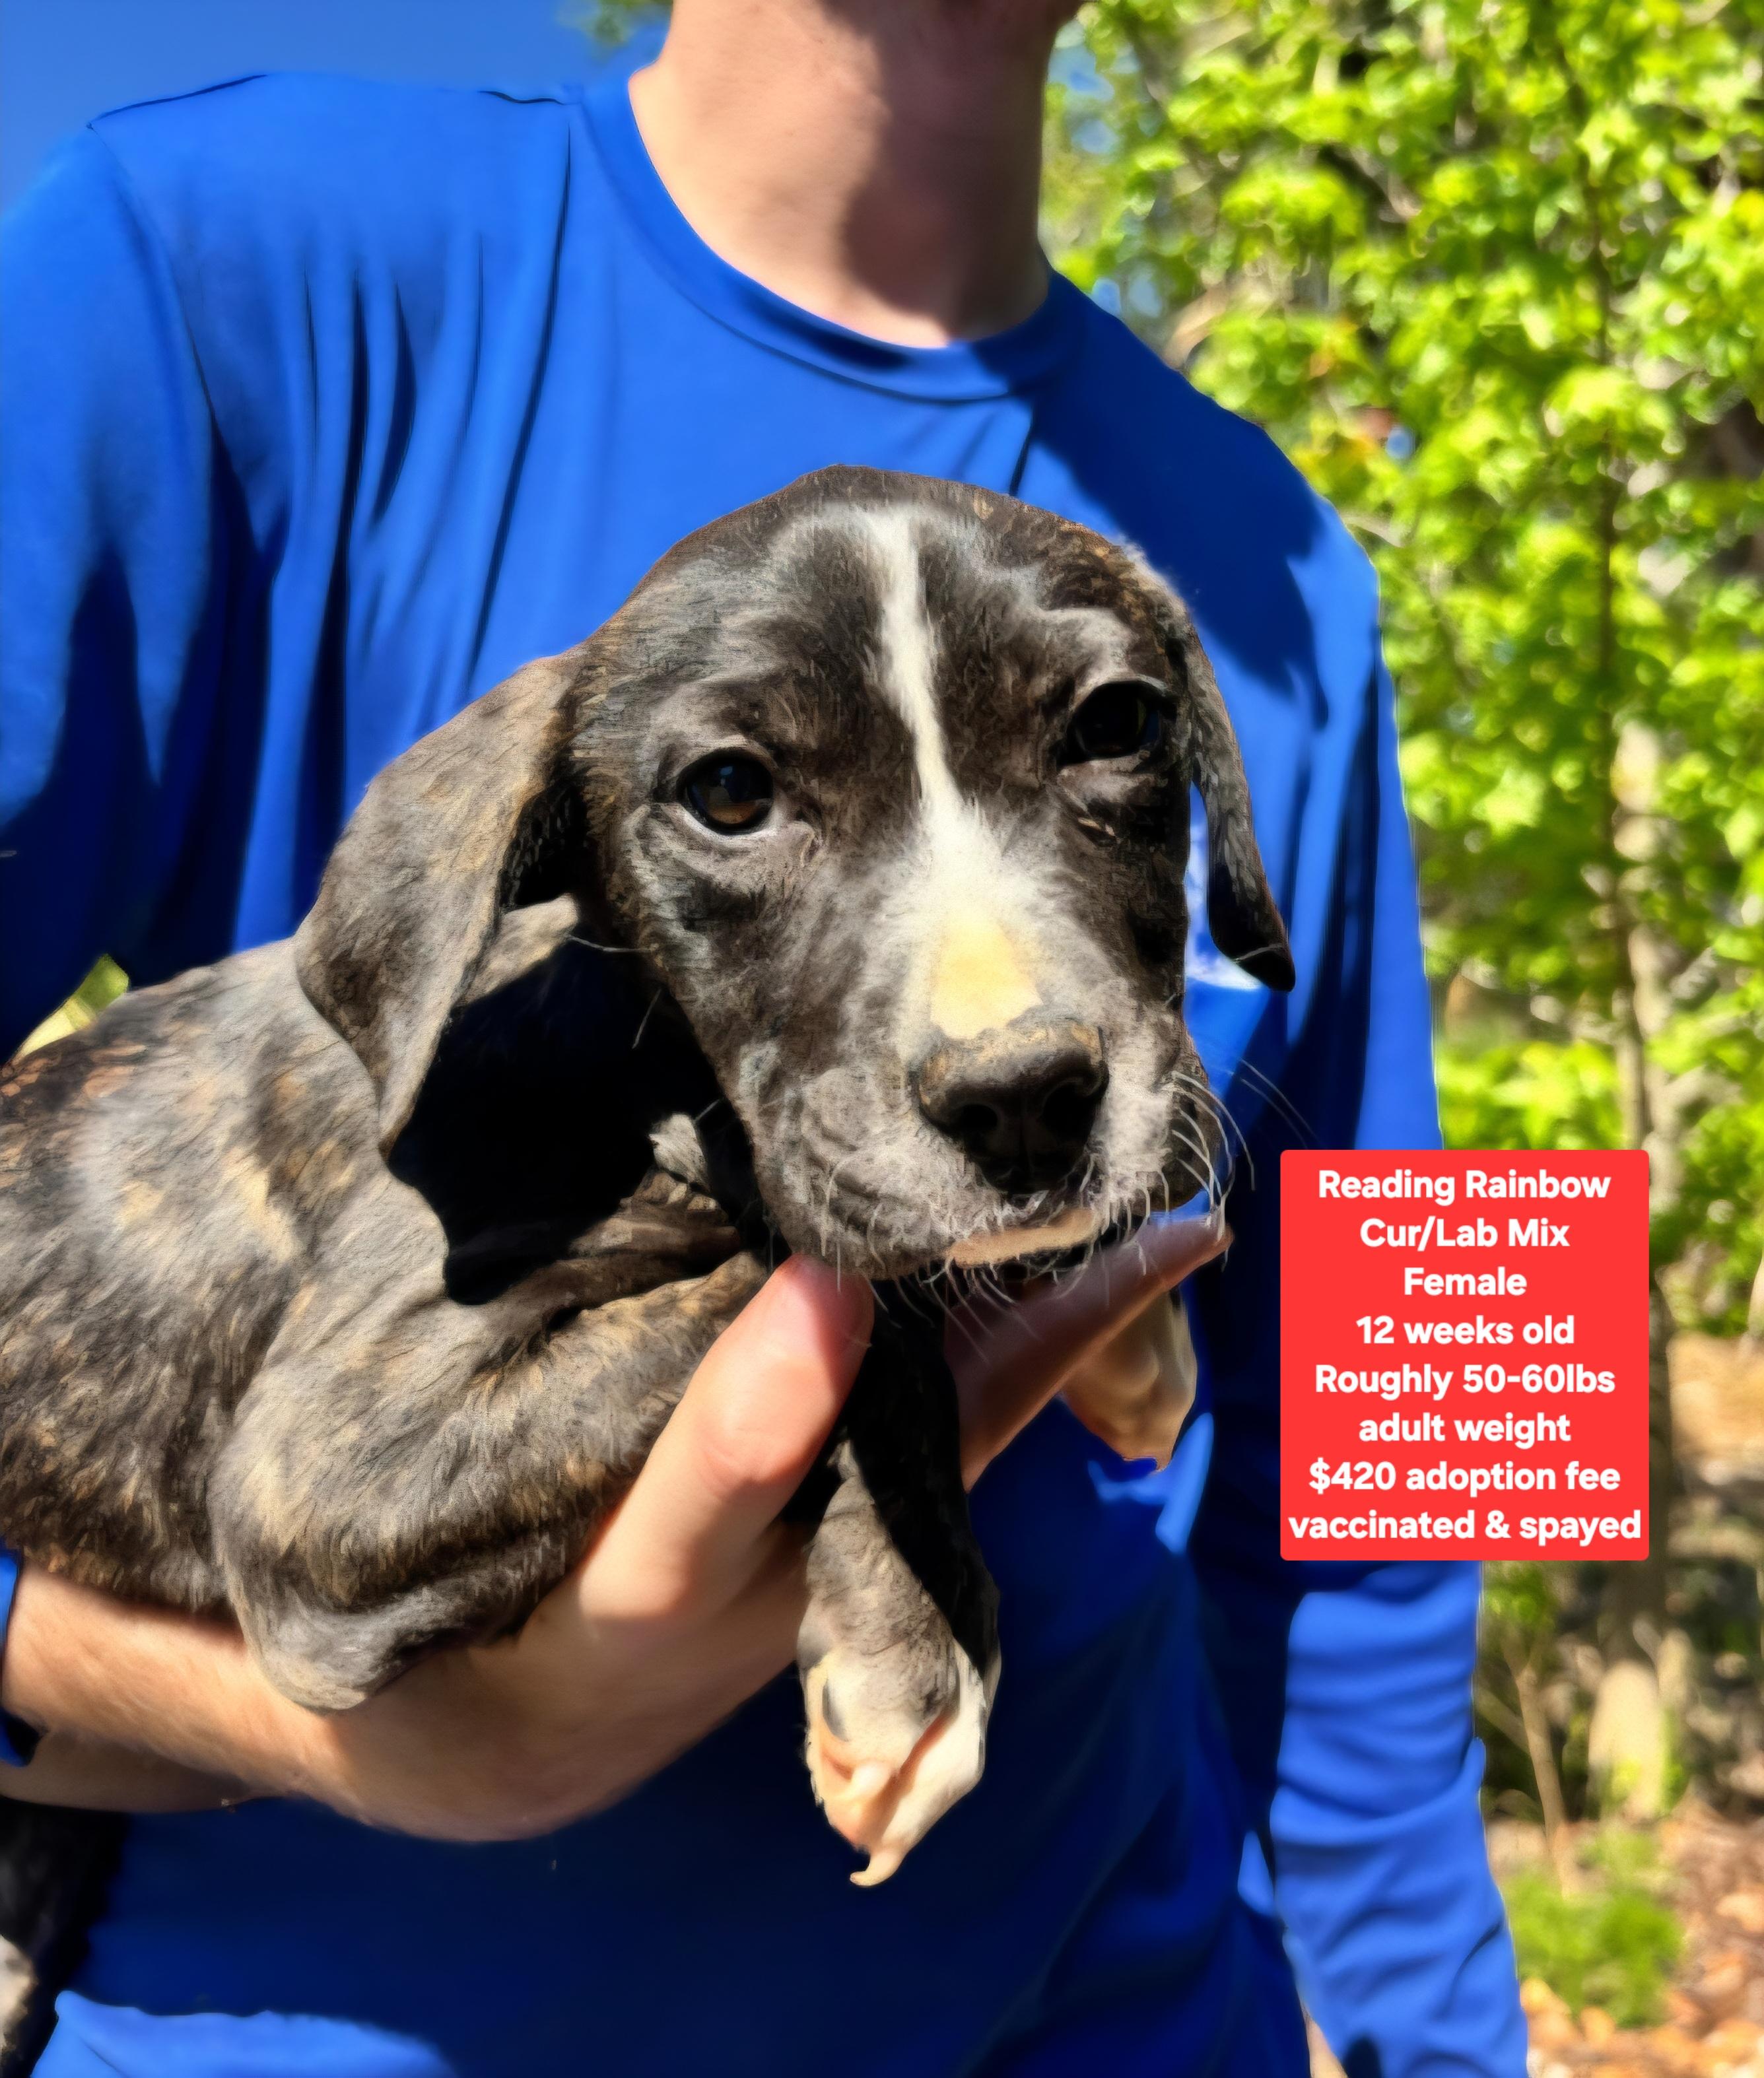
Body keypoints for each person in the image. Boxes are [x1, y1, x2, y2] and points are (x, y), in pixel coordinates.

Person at [0, 1, 1527, 2071]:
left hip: (1143, 2014)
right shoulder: (194, 274)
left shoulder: (1277, 577)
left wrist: (1446, 2043)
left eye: (1094, 744)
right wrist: (310, 1732)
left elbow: (1407, 1433)